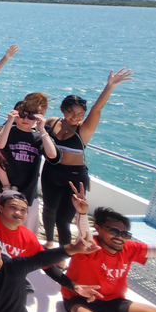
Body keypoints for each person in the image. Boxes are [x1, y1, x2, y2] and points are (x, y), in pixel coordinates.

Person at [41, 68, 133, 248]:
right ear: (62, 109)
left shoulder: (84, 128)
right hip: (50, 172)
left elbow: (97, 108)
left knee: (63, 219)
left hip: (75, 178)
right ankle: (49, 242)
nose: (75, 117)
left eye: (80, 114)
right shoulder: (52, 121)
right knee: (49, 210)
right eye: (70, 112)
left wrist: (109, 86)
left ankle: (64, 252)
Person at [0, 190, 95, 294]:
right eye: (13, 208)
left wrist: (73, 286)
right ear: (0, 208)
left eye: (23, 210)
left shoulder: (29, 238)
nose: (19, 213)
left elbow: (46, 264)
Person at [0, 100, 58, 233]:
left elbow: (52, 154)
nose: (26, 119)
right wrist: (9, 122)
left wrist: (42, 129)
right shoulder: (7, 131)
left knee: (24, 230)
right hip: (1, 188)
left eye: (31, 116)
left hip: (27, 190)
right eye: (21, 115)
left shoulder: (39, 136)